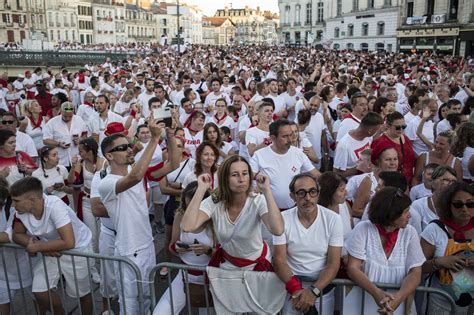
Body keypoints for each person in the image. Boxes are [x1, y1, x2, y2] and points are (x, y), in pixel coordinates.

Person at [98, 118, 179, 314]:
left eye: (129, 145)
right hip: (128, 251)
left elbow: (174, 163)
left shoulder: (140, 174)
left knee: (147, 299)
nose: (129, 149)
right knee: (130, 305)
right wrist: (153, 139)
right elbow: (133, 177)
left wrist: (169, 135)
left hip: (147, 246)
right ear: (109, 155)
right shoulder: (106, 182)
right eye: (123, 147)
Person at [181, 155, 284, 271]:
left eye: (245, 173)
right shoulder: (215, 202)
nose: (241, 179)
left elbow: (278, 230)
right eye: (235, 175)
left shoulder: (257, 200)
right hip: (228, 265)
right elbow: (187, 226)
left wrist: (267, 190)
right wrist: (201, 189)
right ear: (225, 178)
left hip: (256, 267)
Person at [11, 176, 93, 315]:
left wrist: (38, 247)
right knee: (39, 290)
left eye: (16, 201)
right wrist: (42, 246)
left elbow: (68, 242)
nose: (13, 205)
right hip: (52, 249)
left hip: (78, 250)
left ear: (32, 200)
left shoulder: (54, 205)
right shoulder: (21, 211)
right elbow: (17, 235)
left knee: (82, 294)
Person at [345, 187, 425, 315]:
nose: (409, 215)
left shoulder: (410, 233)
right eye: (405, 212)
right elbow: (353, 268)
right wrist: (377, 293)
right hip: (361, 303)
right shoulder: (363, 229)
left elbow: (415, 273)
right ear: (391, 214)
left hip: (397, 304)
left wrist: (397, 298)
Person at [272, 173, 342, 315]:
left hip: (322, 291)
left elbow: (333, 264)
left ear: (318, 193)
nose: (308, 198)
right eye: (302, 193)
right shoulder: (282, 219)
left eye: (312, 192)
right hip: (292, 292)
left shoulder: (333, 220)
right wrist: (297, 291)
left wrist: (313, 291)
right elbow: (279, 260)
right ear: (292, 196)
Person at [154, 181, 215, 315]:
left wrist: (208, 250)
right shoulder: (180, 215)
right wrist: (177, 248)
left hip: (210, 279)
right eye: (189, 205)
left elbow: (224, 255)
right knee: (160, 312)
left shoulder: (214, 219)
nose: (192, 210)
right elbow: (172, 246)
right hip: (184, 275)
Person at [420, 182, 474, 314]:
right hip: (440, 300)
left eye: (470, 204)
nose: (465, 209)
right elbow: (417, 267)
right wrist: (439, 262)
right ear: (448, 206)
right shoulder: (434, 229)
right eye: (458, 204)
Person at [67, 137, 105, 283]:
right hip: (87, 202)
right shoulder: (81, 163)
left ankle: (104, 264)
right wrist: (73, 166)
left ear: (89, 150)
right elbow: (71, 181)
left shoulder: (103, 162)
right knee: (93, 236)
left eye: (81, 151)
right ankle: (93, 269)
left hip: (102, 203)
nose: (79, 153)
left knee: (102, 236)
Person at [158, 134, 196, 278]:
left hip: (189, 203)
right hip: (173, 202)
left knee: (188, 234)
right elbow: (163, 189)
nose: (176, 148)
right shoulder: (166, 164)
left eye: (179, 146)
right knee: (169, 236)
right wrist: (183, 189)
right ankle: (167, 265)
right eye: (173, 146)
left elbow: (194, 187)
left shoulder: (191, 163)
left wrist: (178, 186)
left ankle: (186, 263)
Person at [0, 177, 33, 315]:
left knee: (42, 297)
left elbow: (10, 235)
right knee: (2, 302)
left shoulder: (14, 205)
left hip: (28, 261)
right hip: (2, 267)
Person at [352, 142, 400, 218]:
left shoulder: (401, 180)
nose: (393, 163)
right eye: (388, 159)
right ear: (378, 161)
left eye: (395, 159)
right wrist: (383, 215)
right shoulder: (368, 181)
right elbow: (355, 210)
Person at [410, 166, 458, 234]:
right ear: (433, 183)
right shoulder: (418, 206)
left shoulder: (459, 206)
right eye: (445, 180)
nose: (450, 184)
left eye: (453, 181)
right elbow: (414, 235)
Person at [334, 112, 383, 178]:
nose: (377, 132)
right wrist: (359, 169)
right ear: (370, 130)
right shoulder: (344, 145)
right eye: (376, 130)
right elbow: (336, 174)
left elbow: (371, 140)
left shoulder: (367, 136)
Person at [372, 111, 416, 184]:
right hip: (391, 182)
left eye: (404, 126)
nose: (401, 129)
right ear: (388, 126)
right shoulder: (381, 141)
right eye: (397, 127)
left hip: (407, 182)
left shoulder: (406, 138)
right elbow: (375, 164)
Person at [42, 102, 87, 167]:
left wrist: (81, 140)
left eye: (70, 116)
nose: (68, 118)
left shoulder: (79, 120)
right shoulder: (52, 122)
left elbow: (85, 134)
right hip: (60, 161)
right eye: (65, 116)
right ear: (61, 111)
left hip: (77, 158)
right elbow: (45, 140)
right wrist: (59, 144)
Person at [318, 172, 353, 242]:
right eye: (342, 190)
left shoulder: (345, 205)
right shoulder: (318, 214)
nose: (346, 193)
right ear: (329, 192)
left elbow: (352, 231)